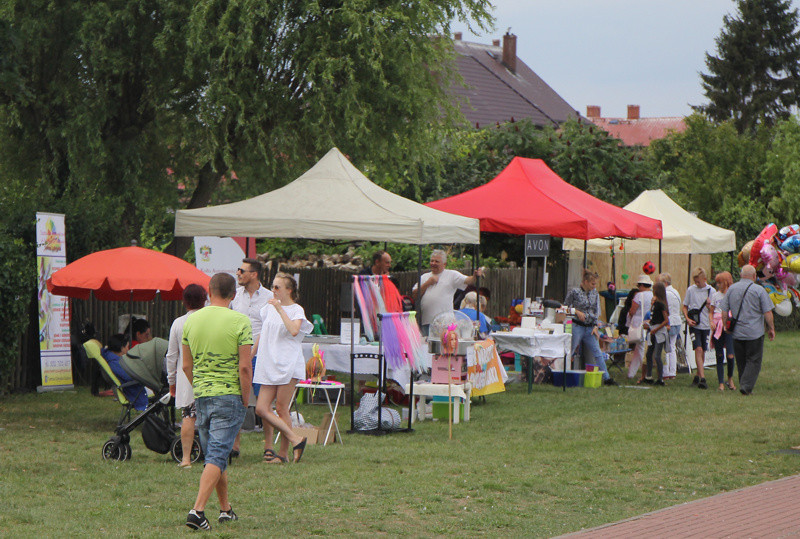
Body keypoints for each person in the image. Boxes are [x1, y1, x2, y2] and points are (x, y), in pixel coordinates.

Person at [182, 272, 253, 530]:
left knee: (216, 453)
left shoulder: (191, 321)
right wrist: (245, 399)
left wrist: (200, 386)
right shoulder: (240, 321)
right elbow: (245, 367)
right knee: (216, 455)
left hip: (202, 396)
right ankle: (197, 512)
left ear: (209, 291)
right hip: (230, 395)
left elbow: (186, 365)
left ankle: (225, 509)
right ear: (234, 295)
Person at [253, 273, 312, 464]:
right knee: (261, 408)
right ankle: (296, 439)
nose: (274, 290)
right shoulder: (268, 308)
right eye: (273, 286)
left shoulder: (296, 310)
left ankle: (283, 453)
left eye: (278, 287)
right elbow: (263, 333)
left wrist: (280, 310)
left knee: (281, 408)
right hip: (268, 362)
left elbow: (294, 330)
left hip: (288, 363)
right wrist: (250, 355)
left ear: (289, 290)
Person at [230, 258, 273, 456]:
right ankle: (235, 445)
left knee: (264, 405)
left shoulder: (269, 297)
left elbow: (267, 329)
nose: (238, 273)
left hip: (260, 356)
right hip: (237, 354)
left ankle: (268, 447)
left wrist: (253, 352)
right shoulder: (235, 296)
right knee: (237, 400)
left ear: (254, 274)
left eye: (242, 270)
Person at [165, 284, 207, 468]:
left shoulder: (178, 323)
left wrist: (171, 381)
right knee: (211, 417)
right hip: (209, 375)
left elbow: (171, 356)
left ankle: (186, 458)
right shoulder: (210, 321)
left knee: (188, 416)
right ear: (205, 299)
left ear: (184, 302)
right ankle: (213, 457)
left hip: (186, 377)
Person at [721, 264, 775, 396]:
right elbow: (767, 312)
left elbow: (724, 310)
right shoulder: (759, 290)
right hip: (754, 333)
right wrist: (771, 328)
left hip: (737, 333)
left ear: (740, 275)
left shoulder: (731, 289)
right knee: (754, 360)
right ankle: (745, 386)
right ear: (754, 276)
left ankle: (744, 386)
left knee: (741, 361)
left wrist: (725, 325)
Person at [564, 270, 617, 386]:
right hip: (577, 326)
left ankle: (607, 378)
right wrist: (576, 311)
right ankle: (563, 374)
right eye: (593, 284)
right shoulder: (574, 292)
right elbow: (565, 307)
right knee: (570, 351)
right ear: (586, 282)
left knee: (597, 352)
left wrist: (595, 325)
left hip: (590, 328)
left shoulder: (595, 294)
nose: (594, 286)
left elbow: (596, 311)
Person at [412, 250, 483, 335]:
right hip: (427, 323)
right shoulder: (424, 277)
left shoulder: (451, 275)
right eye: (432, 261)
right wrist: (428, 283)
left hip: (445, 324)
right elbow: (415, 295)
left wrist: (475, 276)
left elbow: (468, 281)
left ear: (444, 264)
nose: (433, 263)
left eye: (437, 261)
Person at [683, 267, 714, 389]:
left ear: (704, 279)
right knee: (698, 349)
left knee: (703, 351)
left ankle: (697, 375)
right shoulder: (691, 290)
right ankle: (703, 378)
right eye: (695, 281)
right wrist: (687, 319)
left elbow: (713, 309)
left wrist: (708, 306)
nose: (697, 284)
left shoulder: (711, 290)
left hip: (705, 325)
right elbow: (685, 306)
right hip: (695, 325)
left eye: (699, 282)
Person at [101, 333, 149, 411]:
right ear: (122, 348)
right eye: (127, 347)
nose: (128, 349)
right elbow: (129, 376)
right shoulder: (115, 363)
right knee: (163, 391)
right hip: (135, 390)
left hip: (134, 387)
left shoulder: (113, 359)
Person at [709, 271, 736, 392]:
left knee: (730, 355)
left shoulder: (732, 294)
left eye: (720, 282)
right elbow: (711, 311)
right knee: (719, 354)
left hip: (729, 326)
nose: (718, 285)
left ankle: (730, 378)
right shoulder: (715, 296)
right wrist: (711, 321)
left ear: (725, 282)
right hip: (718, 326)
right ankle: (720, 382)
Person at [626, 274, 653, 381]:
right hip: (649, 322)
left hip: (638, 323)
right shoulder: (652, 295)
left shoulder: (638, 296)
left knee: (641, 349)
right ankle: (631, 373)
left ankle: (646, 372)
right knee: (639, 349)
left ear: (641, 285)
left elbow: (632, 311)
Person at [656, 273, 682, 380]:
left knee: (666, 348)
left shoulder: (666, 294)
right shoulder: (676, 292)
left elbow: (666, 310)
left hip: (669, 322)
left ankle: (665, 372)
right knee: (672, 346)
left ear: (665, 283)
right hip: (677, 321)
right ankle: (672, 371)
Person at [643, 282, 669, 386]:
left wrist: (656, 329)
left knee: (657, 355)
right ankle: (648, 376)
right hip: (653, 330)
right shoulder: (655, 304)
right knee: (649, 354)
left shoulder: (661, 305)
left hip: (659, 332)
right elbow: (654, 318)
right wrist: (649, 325)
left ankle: (660, 379)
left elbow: (665, 320)